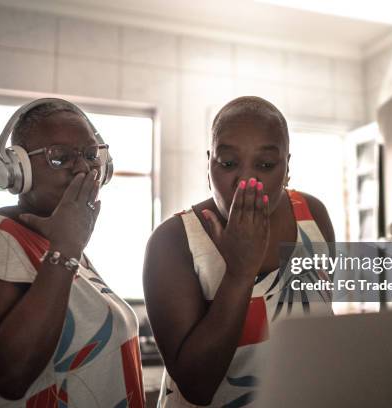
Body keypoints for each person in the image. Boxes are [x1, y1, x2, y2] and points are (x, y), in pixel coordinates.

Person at [0, 99, 145, 407]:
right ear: (17, 171)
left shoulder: (64, 245)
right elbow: (11, 376)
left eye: (92, 155)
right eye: (60, 157)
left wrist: (68, 247)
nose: (83, 168)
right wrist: (66, 248)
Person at [143, 96, 335, 407]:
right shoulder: (173, 241)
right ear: (209, 165)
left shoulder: (313, 216)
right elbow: (197, 386)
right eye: (229, 163)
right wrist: (239, 272)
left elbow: (322, 331)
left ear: (287, 168)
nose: (246, 181)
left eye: (266, 165)